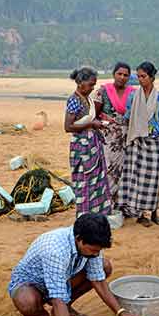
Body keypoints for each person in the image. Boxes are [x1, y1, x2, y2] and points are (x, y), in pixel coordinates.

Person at [8, 214, 147, 316]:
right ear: (79, 239)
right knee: (27, 302)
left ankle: (66, 307)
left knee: (104, 266)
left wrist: (120, 312)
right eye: (94, 250)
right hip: (32, 284)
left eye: (99, 250)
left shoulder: (91, 243)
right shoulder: (55, 250)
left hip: (63, 276)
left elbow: (98, 280)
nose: (96, 254)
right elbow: (57, 298)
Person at [118, 61, 159, 227]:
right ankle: (140, 214)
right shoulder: (133, 96)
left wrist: (148, 128)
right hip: (136, 140)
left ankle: (153, 212)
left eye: (143, 76)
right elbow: (128, 116)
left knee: (153, 177)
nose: (140, 79)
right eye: (138, 76)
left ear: (152, 77)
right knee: (137, 177)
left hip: (153, 141)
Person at [65, 67, 111, 217]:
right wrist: (91, 125)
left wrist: (98, 122)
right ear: (80, 83)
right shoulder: (74, 100)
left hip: (93, 144)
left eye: (94, 85)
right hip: (81, 147)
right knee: (83, 181)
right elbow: (68, 127)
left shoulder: (87, 99)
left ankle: (96, 215)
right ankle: (84, 215)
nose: (92, 88)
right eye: (90, 84)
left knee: (97, 180)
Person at [94, 62, 136, 206]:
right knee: (109, 168)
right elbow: (95, 114)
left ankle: (120, 204)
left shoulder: (133, 93)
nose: (122, 77)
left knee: (125, 171)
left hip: (127, 138)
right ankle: (107, 202)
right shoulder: (103, 91)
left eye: (126, 75)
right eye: (120, 74)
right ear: (114, 74)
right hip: (108, 139)